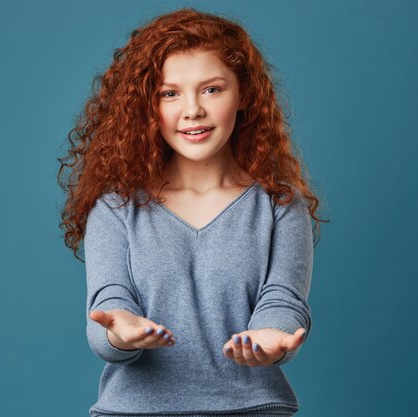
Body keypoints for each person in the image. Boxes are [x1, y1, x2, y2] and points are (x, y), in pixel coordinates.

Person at [58, 8, 327, 417]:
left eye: (212, 90)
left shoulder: (281, 205)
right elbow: (108, 308)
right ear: (149, 107)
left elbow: (283, 298)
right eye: (170, 93)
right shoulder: (115, 208)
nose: (192, 110)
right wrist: (122, 331)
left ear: (244, 95)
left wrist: (272, 336)